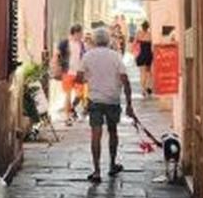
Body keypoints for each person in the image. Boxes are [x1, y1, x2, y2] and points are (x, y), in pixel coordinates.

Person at [79, 25, 135, 183]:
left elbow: (79, 77)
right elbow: (125, 80)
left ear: (94, 41)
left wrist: (89, 78)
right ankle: (112, 164)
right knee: (113, 131)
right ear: (108, 40)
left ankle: (97, 171)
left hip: (95, 100)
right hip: (112, 99)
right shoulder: (115, 56)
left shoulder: (88, 56)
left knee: (95, 135)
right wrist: (129, 104)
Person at [56, 23, 86, 120]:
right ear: (75, 33)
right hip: (67, 72)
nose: (81, 35)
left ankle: (72, 108)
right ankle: (67, 117)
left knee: (80, 93)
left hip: (78, 72)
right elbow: (57, 54)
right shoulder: (65, 43)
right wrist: (57, 65)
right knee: (68, 95)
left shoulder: (81, 44)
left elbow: (84, 57)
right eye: (80, 33)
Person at [134, 20, 154, 99]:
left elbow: (134, 44)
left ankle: (143, 89)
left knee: (142, 73)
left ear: (142, 27)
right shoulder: (150, 35)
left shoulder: (138, 34)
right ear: (148, 27)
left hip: (141, 55)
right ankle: (148, 87)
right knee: (148, 73)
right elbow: (152, 46)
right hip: (148, 55)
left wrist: (135, 54)